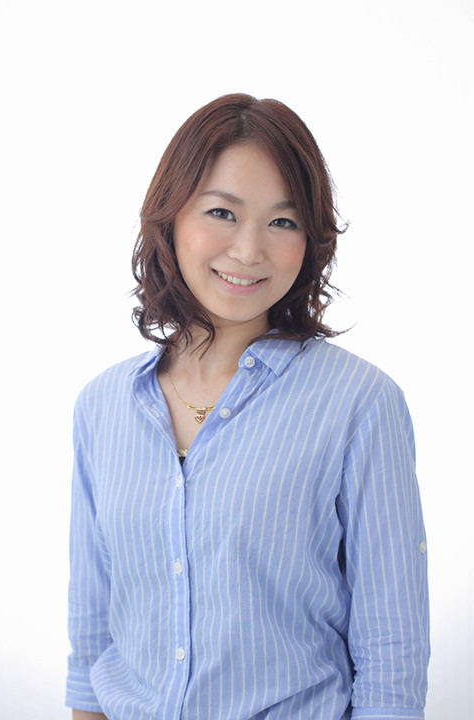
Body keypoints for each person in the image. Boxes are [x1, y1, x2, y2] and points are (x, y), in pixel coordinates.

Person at [66, 94, 430, 720]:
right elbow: (93, 631)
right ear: (170, 218)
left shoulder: (360, 403)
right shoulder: (102, 406)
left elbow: (392, 652)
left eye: (283, 222)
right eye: (222, 212)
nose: (249, 249)